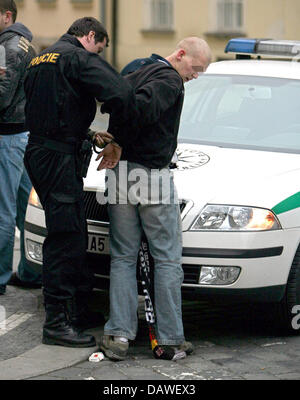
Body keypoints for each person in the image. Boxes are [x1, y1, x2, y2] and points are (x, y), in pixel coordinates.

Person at [23, 17, 137, 348]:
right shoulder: (77, 57)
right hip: (58, 159)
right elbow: (121, 93)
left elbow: (47, 110)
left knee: (74, 230)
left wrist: (87, 133)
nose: (98, 53)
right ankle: (57, 323)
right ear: (90, 36)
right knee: (66, 237)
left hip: (42, 151)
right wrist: (120, 137)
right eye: (100, 47)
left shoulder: (40, 58)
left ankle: (78, 308)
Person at [97, 37, 212, 360]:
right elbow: (143, 108)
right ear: (180, 54)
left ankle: (118, 335)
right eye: (195, 68)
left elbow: (119, 102)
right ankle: (171, 337)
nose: (195, 76)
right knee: (166, 259)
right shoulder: (168, 79)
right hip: (151, 175)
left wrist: (117, 140)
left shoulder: (136, 69)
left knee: (122, 256)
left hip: (120, 173)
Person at [0, 0, 41, 296]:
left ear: (7, 16)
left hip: (8, 138)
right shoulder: (23, 44)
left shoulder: (10, 49)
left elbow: (3, 97)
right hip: (22, 134)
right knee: (25, 209)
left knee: (4, 210)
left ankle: (0, 277)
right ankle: (30, 271)